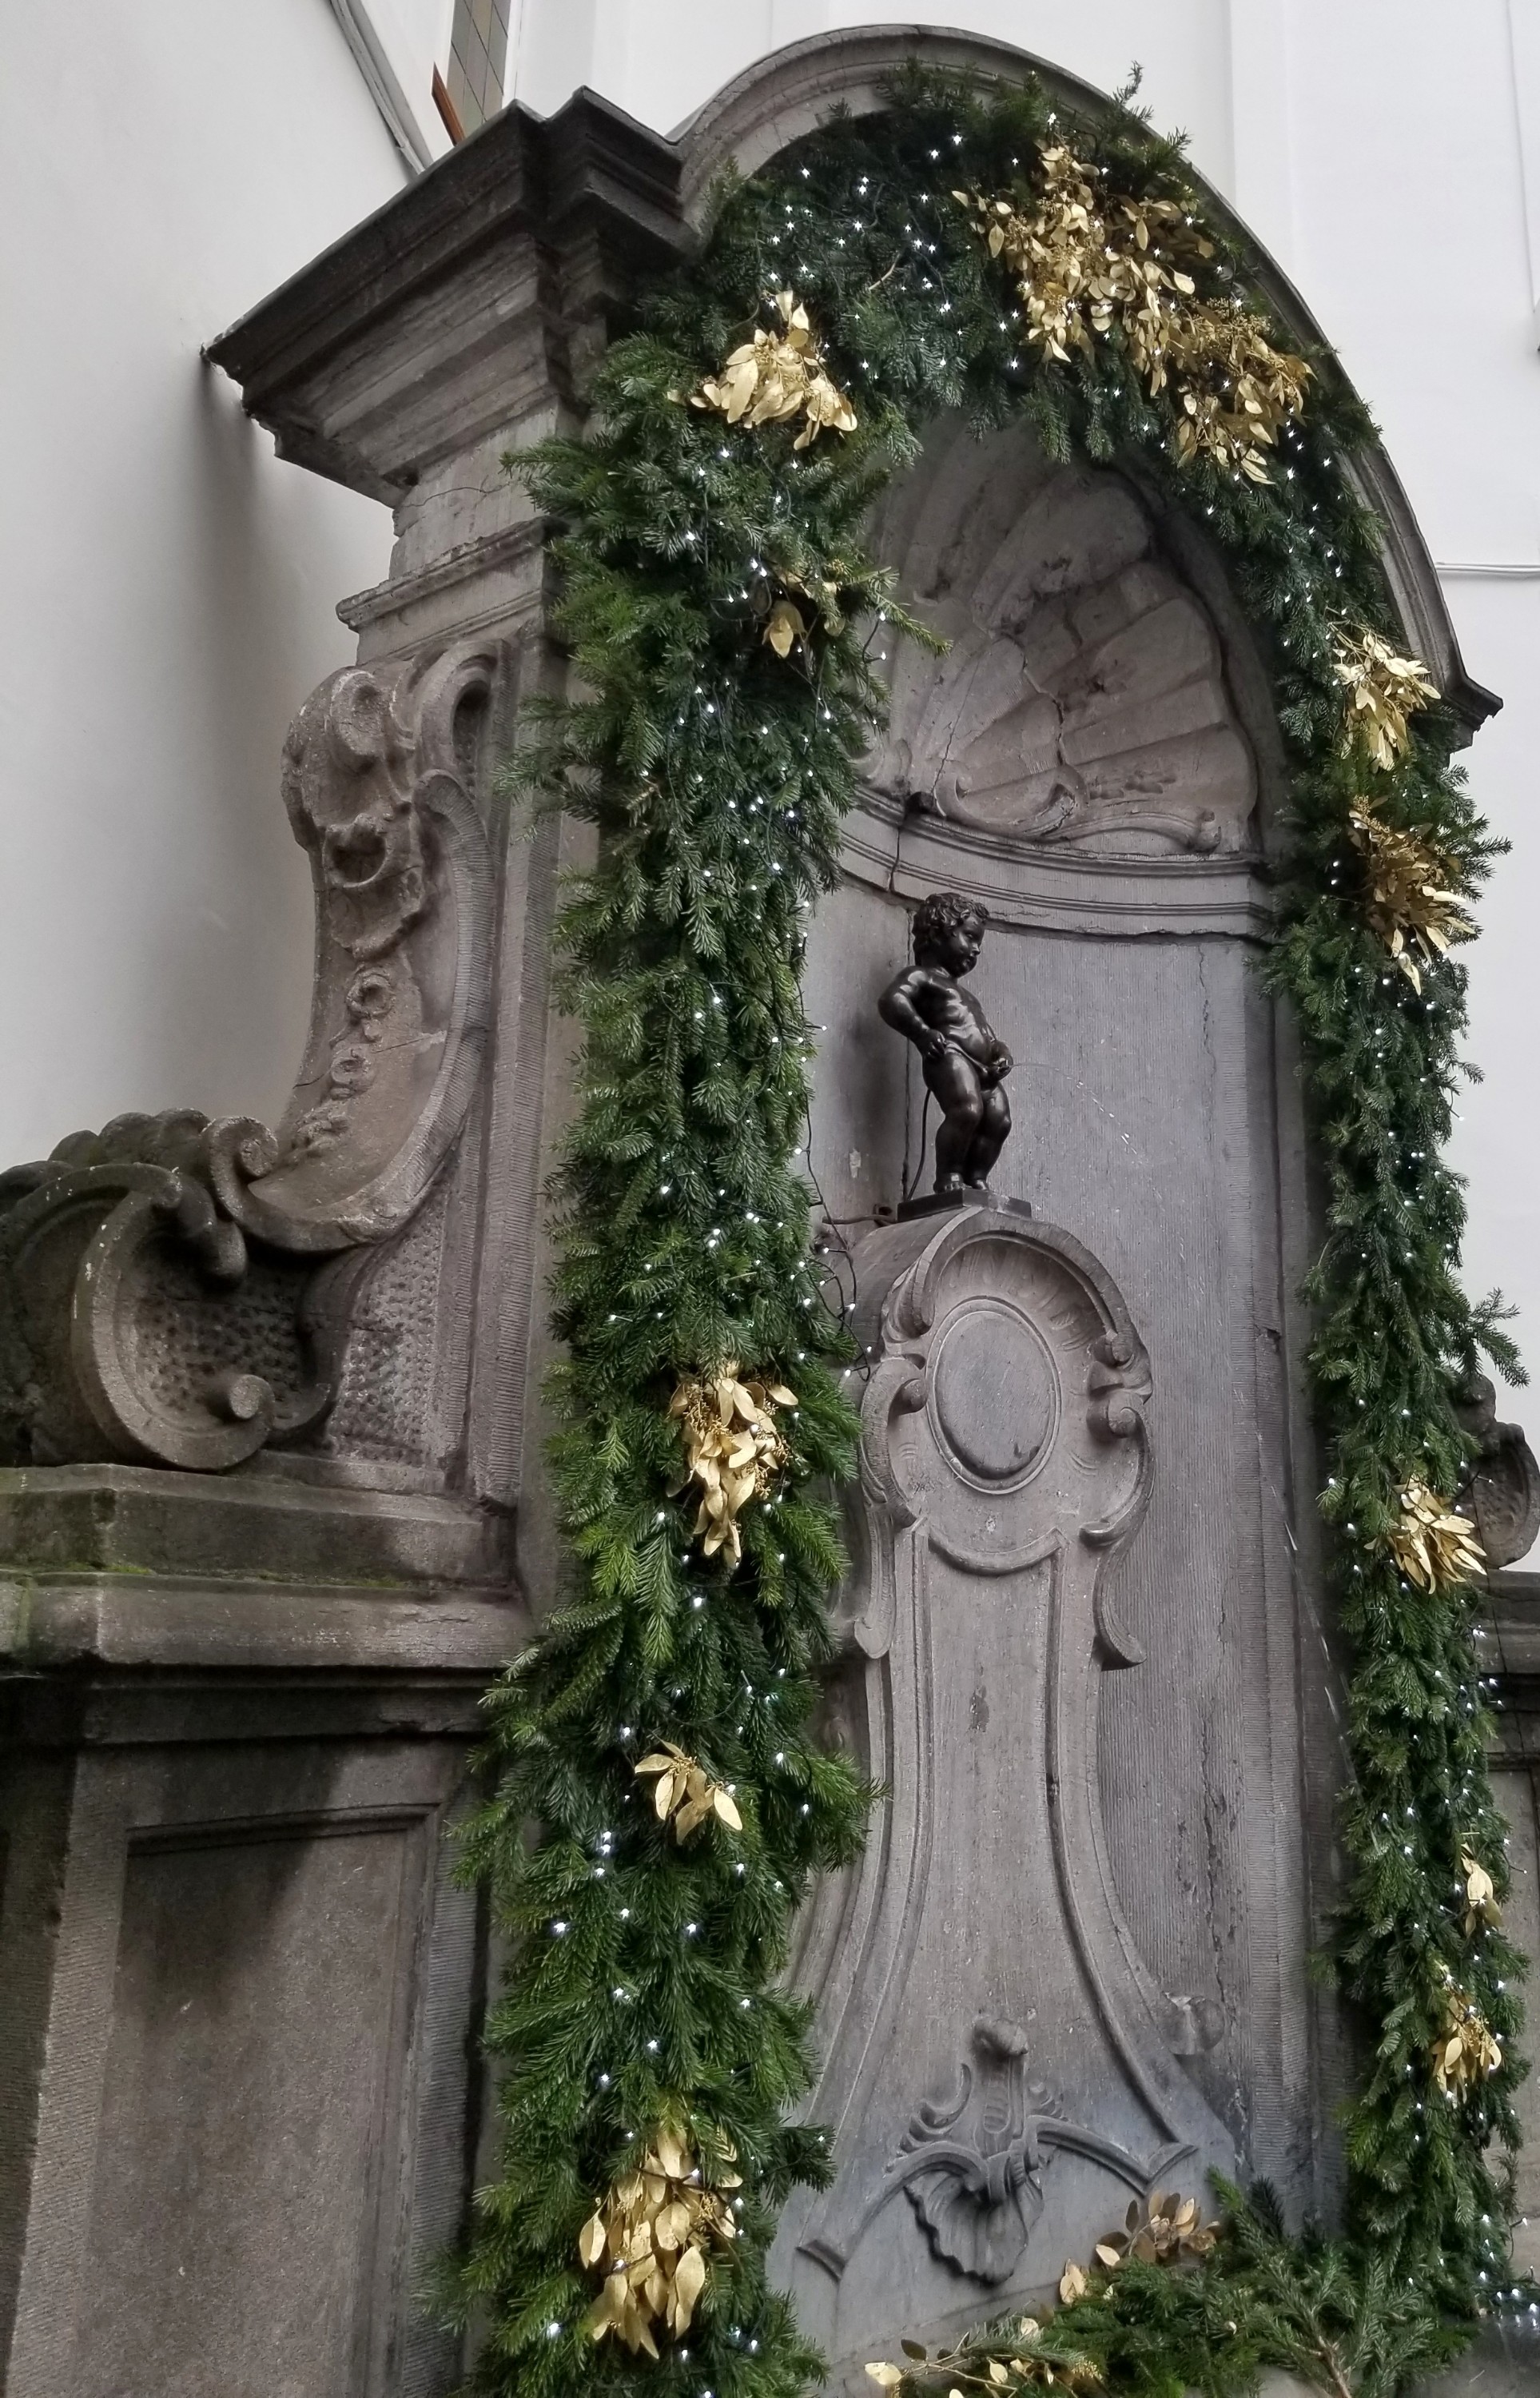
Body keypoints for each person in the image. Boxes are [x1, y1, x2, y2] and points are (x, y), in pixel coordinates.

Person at [878, 892, 1013, 1195]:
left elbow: (987, 1034)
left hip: (983, 1068)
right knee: (967, 1110)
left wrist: (1001, 1052)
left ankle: (976, 1177)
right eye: (970, 937)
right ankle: (948, 1176)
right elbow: (892, 1000)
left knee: (999, 1121)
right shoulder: (921, 977)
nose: (976, 949)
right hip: (948, 1054)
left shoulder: (968, 996)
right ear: (939, 932)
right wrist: (922, 1033)